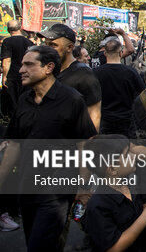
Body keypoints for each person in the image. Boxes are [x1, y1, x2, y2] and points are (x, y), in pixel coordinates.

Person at [0, 46, 96, 251]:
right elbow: (14, 145)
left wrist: (84, 187)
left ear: (48, 67)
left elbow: (84, 145)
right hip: (26, 188)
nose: (20, 70)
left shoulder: (72, 99)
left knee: (40, 246)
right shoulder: (24, 100)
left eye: (29, 64)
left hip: (57, 191)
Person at [81, 135, 146, 252]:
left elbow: (133, 214)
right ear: (112, 170)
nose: (133, 156)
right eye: (127, 155)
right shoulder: (99, 205)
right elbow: (114, 247)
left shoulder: (128, 186)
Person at [38, 23, 102, 131]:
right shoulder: (47, 71)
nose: (47, 49)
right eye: (46, 44)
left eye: (53, 45)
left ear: (69, 47)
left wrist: (89, 145)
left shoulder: (83, 75)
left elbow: (94, 113)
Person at [94, 39, 145, 136]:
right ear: (121, 53)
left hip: (105, 120)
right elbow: (142, 93)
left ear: (105, 53)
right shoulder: (131, 72)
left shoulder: (96, 73)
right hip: (126, 120)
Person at [1, 20, 33, 120]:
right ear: (20, 28)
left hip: (13, 76)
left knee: (12, 102)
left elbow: (7, 61)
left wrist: (5, 76)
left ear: (8, 30)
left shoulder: (7, 42)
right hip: (27, 76)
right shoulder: (30, 43)